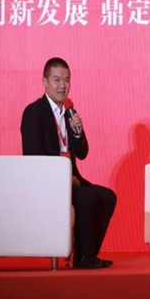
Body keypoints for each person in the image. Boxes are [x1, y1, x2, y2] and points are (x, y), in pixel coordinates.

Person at [20, 57, 117, 269]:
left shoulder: (69, 113)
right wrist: (63, 178)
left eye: (66, 80)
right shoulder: (34, 112)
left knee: (107, 196)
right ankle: (84, 257)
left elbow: (82, 153)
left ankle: (86, 254)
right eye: (57, 80)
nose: (62, 85)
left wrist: (77, 132)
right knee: (87, 197)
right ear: (45, 82)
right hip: (47, 181)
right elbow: (34, 156)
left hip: (71, 179)